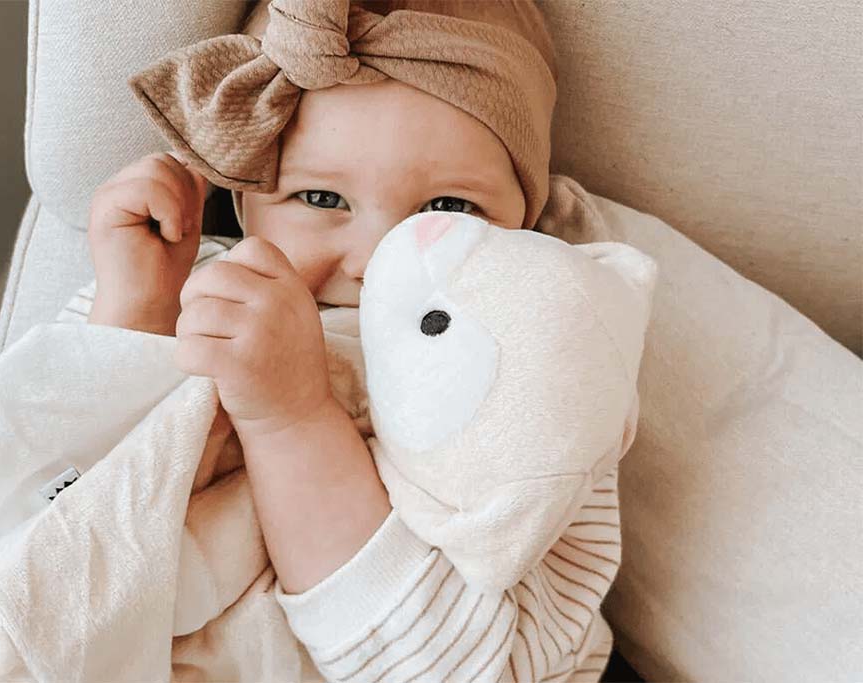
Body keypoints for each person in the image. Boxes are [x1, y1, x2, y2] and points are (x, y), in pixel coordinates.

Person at [86, 1, 617, 680]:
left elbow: (466, 666)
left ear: (528, 218)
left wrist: (292, 421)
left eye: (447, 209)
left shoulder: (538, 362)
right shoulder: (188, 289)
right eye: (322, 200)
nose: (374, 259)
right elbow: (35, 525)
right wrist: (135, 314)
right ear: (245, 202)